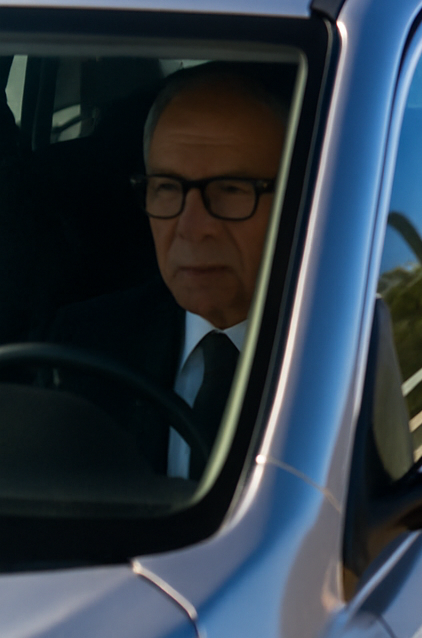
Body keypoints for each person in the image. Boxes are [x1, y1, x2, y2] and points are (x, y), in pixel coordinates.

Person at [48, 65, 288, 476]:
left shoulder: (351, 353)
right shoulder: (80, 348)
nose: (192, 229)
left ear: (297, 194)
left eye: (231, 189)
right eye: (167, 188)